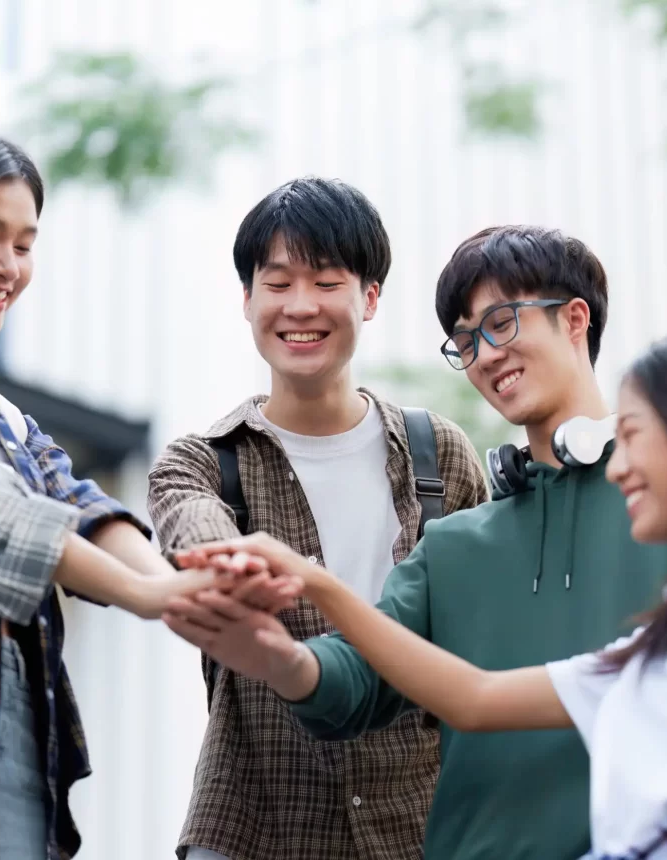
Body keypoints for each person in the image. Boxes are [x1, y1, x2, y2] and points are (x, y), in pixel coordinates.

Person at [163, 226, 667, 859]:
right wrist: (276, 657)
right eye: (466, 339)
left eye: (502, 322)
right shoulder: (455, 547)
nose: (485, 354)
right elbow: (357, 678)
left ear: (575, 320)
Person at [0, 52, 216, 860]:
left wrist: (183, 585)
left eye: (26, 243)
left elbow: (83, 509)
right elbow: (0, 521)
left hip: (15, 730)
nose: (8, 265)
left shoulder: (2, 417)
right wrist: (158, 598)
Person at [148, 177, 488, 860]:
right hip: (254, 821)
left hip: (418, 823)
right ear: (246, 299)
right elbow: (194, 527)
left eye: (326, 281)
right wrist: (239, 569)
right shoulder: (203, 460)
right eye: (277, 284)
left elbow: (478, 636)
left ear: (369, 296)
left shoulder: (439, 453)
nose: (300, 307)